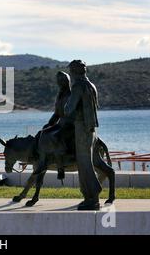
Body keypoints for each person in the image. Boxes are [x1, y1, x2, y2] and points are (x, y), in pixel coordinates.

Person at [64, 60, 102, 210]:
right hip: (91, 129)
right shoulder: (91, 85)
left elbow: (69, 109)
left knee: (84, 164)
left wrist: (67, 102)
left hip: (82, 128)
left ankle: (92, 197)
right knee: (87, 163)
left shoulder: (78, 86)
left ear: (74, 72)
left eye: (71, 72)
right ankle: (90, 196)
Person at [41, 71, 74, 180]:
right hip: (60, 124)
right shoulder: (60, 96)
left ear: (67, 82)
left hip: (70, 125)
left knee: (56, 136)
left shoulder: (72, 95)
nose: (60, 83)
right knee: (43, 133)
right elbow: (57, 114)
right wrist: (49, 124)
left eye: (62, 81)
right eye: (59, 81)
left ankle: (61, 167)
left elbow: (74, 113)